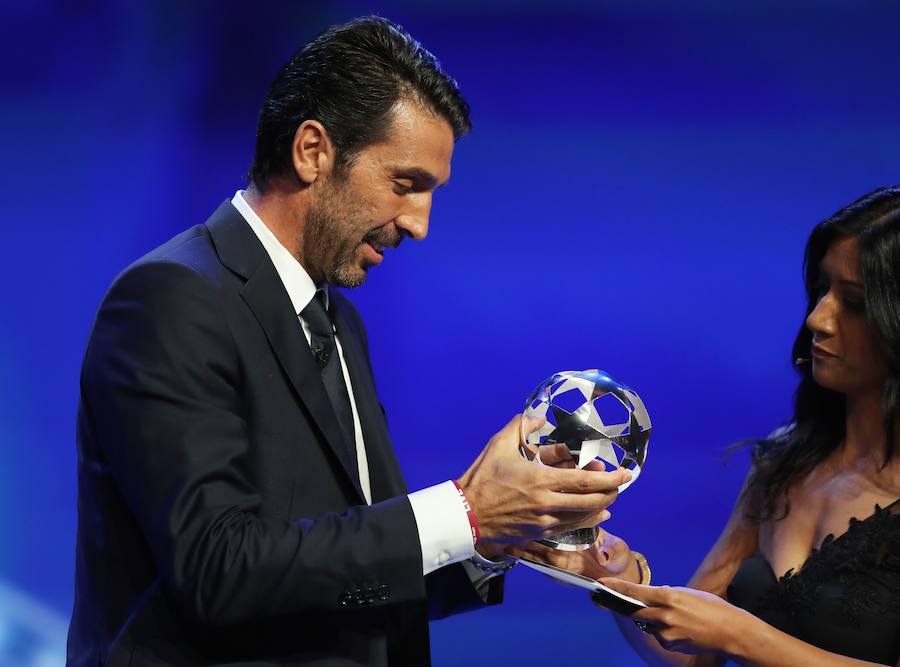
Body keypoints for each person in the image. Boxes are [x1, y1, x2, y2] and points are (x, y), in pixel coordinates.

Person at [66, 16, 629, 667]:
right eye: (405, 184)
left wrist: (493, 539)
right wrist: (464, 510)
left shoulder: (337, 321)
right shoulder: (172, 298)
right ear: (312, 151)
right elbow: (217, 567)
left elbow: (348, 573)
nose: (419, 224)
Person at [514, 186, 900, 666]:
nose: (818, 319)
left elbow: (724, 633)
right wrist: (614, 579)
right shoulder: (786, 461)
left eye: (855, 302)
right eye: (822, 289)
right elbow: (691, 657)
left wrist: (739, 634)